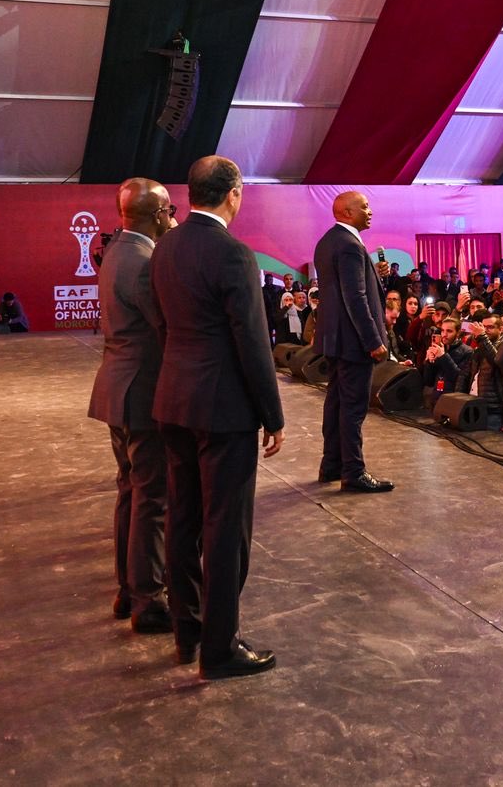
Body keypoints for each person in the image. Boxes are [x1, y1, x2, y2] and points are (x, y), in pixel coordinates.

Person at [151, 156, 285, 680]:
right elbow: (253, 342)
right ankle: (220, 647)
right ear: (233, 194)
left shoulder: (165, 246)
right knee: (226, 528)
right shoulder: (233, 254)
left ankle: (187, 633)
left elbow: (159, 322)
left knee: (183, 519)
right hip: (223, 409)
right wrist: (272, 414)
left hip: (174, 398)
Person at [87, 178, 174, 633]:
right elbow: (165, 327)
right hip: (142, 393)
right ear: (158, 214)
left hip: (117, 388)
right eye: (169, 211)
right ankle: (148, 599)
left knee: (131, 491)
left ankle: (128, 589)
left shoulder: (117, 250)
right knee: (152, 499)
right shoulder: (143, 262)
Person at [311, 190, 395, 494]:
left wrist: (375, 272)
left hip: (336, 339)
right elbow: (355, 297)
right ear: (347, 212)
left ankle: (332, 464)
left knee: (336, 403)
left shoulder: (329, 241)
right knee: (353, 408)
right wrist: (373, 339)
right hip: (354, 341)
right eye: (365, 207)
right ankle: (353, 471)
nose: (370, 211)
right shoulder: (349, 245)